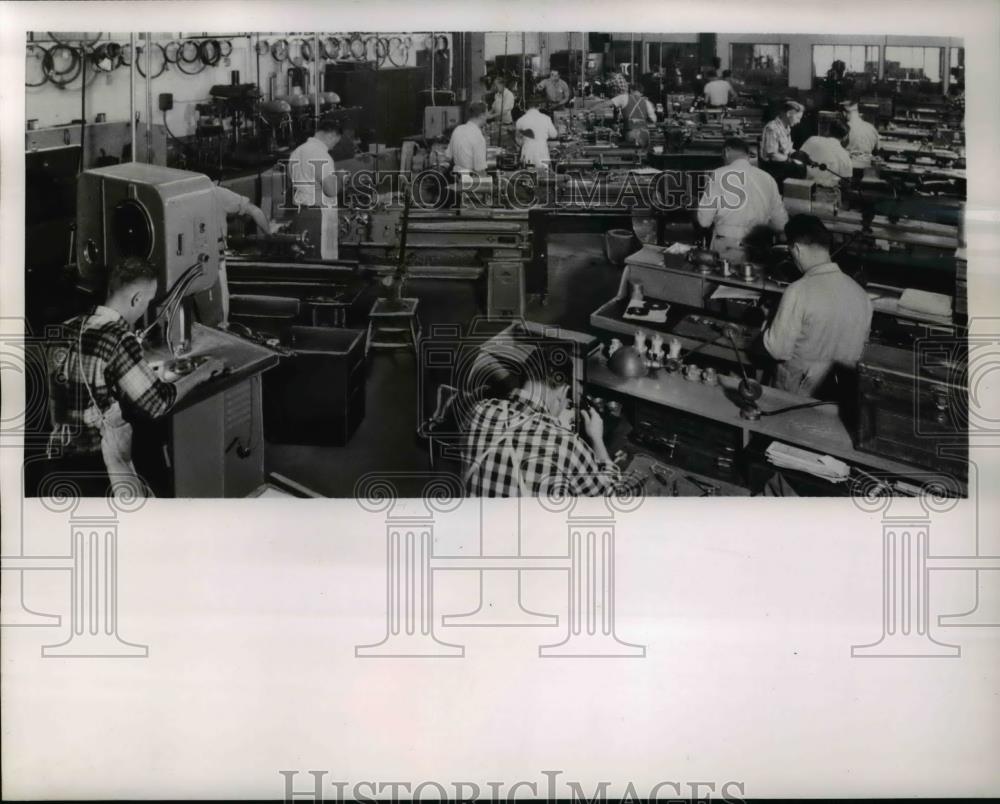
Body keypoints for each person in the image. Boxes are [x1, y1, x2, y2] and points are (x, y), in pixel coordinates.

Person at [43, 257, 223, 496]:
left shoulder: (65, 327)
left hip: (58, 463)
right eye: (147, 302)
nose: (146, 308)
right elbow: (158, 403)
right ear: (137, 299)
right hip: (99, 469)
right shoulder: (119, 338)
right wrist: (203, 372)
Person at [463, 350, 641, 497]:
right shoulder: (568, 446)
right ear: (563, 391)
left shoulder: (477, 412)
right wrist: (597, 439)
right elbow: (611, 500)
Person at [762, 214, 873, 397]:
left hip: (798, 395)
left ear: (796, 250)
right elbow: (862, 350)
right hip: (842, 395)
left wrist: (768, 320)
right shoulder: (861, 296)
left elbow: (777, 350)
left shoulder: (798, 291)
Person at [696, 137, 789, 264]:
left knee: (724, 281)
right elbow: (781, 223)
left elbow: (704, 221)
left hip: (726, 246)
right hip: (758, 246)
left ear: (726, 152)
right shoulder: (767, 178)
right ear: (747, 155)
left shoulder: (718, 174)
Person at [210, 185, 271, 324]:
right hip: (214, 256)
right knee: (220, 300)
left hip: (186, 259)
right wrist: (270, 235)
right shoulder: (217, 192)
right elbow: (256, 211)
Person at [287, 117, 342, 207]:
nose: (333, 147)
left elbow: (290, 178)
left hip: (299, 209)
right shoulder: (322, 155)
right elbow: (331, 191)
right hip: (318, 212)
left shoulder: (296, 152)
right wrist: (340, 178)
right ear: (331, 136)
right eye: (335, 143)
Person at [798, 119, 853, 188]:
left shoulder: (813, 139)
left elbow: (797, 158)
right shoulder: (845, 156)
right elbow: (847, 183)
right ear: (845, 137)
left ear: (828, 131)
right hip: (828, 192)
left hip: (804, 187)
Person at [445, 101, 488, 175]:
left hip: (455, 176)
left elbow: (448, 156)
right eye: (486, 114)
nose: (487, 116)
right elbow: (480, 170)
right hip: (470, 181)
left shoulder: (458, 129)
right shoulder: (478, 137)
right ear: (481, 115)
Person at [514, 97, 558, 169]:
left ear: (527, 107)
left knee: (528, 177)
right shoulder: (546, 118)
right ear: (539, 106)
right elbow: (554, 135)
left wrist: (526, 141)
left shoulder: (521, 120)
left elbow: (518, 141)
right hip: (542, 152)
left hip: (528, 152)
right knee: (543, 177)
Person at [839, 100, 880, 173]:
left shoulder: (844, 129)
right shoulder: (871, 128)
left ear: (844, 113)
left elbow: (836, 150)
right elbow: (877, 150)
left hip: (849, 168)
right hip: (867, 169)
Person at [760, 99, 804, 165]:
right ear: (788, 114)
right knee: (800, 169)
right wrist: (792, 161)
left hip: (782, 161)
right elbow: (773, 156)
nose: (799, 121)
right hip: (772, 165)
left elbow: (787, 150)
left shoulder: (786, 128)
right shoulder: (772, 128)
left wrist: (800, 155)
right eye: (798, 118)